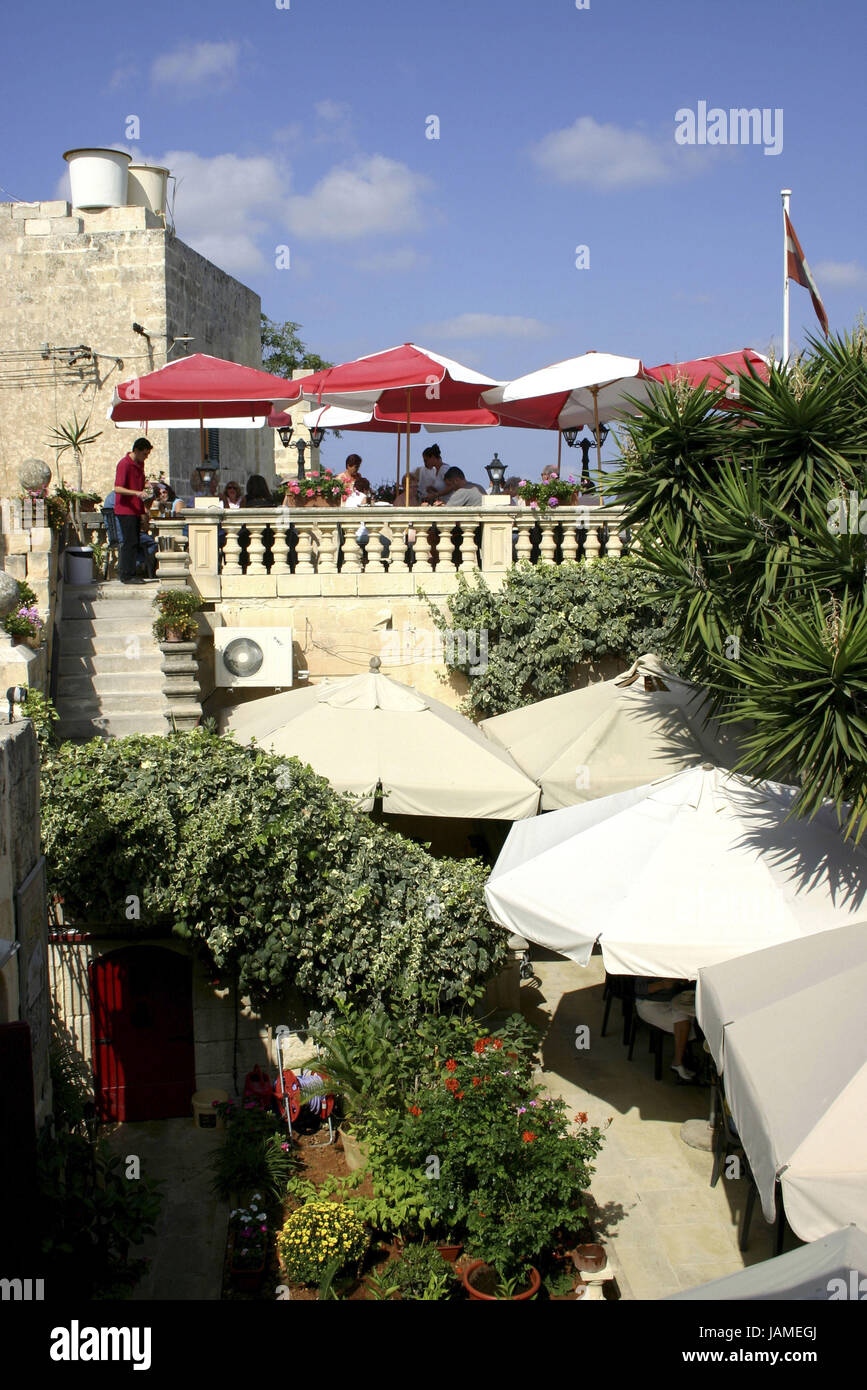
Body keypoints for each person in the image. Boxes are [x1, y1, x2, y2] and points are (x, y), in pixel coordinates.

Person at [634, 978, 698, 1081]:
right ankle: (679, 1061)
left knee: (686, 1016)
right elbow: (639, 989)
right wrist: (662, 984)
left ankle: (679, 1060)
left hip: (673, 1001)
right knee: (684, 1022)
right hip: (649, 1003)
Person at [113, 437, 154, 584]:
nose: (145, 457)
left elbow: (139, 484)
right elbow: (117, 488)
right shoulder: (124, 464)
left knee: (135, 541)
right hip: (125, 509)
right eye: (144, 454)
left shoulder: (139, 464)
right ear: (136, 450)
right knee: (129, 542)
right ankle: (126, 575)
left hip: (135, 509)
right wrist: (136, 493)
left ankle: (131, 572)